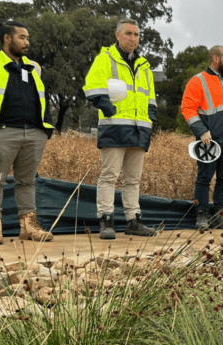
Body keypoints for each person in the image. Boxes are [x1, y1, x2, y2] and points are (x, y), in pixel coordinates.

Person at [0, 21, 55, 245]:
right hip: (3, 133)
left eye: (28, 38)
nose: (27, 42)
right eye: (22, 37)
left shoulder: (34, 67)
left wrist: (46, 128)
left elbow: (43, 98)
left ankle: (29, 227)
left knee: (27, 182)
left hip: (34, 133)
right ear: (8, 38)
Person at [83, 18, 157, 239]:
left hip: (139, 128)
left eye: (136, 35)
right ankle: (106, 220)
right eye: (128, 34)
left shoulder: (144, 65)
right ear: (117, 35)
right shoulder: (106, 58)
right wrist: (107, 108)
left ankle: (133, 220)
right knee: (109, 176)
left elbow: (150, 97)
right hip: (114, 127)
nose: (133, 38)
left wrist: (151, 117)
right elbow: (91, 86)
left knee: (133, 179)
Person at [181, 45, 223, 230]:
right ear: (216, 59)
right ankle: (201, 216)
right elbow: (187, 108)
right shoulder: (197, 81)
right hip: (209, 141)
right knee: (204, 178)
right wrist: (201, 131)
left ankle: (218, 216)